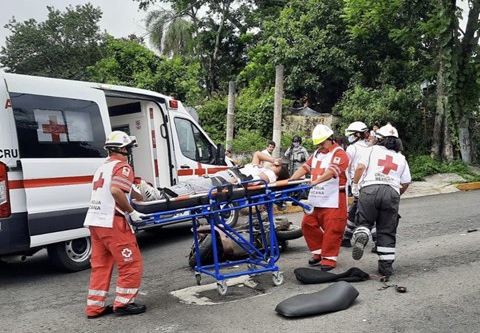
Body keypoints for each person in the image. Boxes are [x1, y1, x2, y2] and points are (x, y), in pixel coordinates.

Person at [83, 131, 147, 318]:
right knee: (131, 262)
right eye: (128, 148)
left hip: (95, 221)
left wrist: (137, 195)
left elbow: (124, 188)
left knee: (101, 265)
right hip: (112, 221)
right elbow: (116, 190)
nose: (129, 151)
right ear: (121, 149)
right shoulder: (123, 166)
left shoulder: (103, 168)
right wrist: (132, 211)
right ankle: (124, 303)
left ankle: (95, 307)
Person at [284, 124, 349, 271]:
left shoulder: (340, 154)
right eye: (318, 144)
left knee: (333, 228)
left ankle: (329, 258)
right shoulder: (317, 153)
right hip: (316, 196)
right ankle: (319, 251)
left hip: (334, 197)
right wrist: (292, 180)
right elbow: (305, 167)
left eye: (322, 143)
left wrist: (314, 182)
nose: (320, 146)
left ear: (330, 139)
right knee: (308, 224)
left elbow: (332, 171)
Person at [350, 124, 411, 278]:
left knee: (364, 220)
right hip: (391, 192)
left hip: (370, 189)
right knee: (387, 230)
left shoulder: (370, 150)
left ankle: (363, 232)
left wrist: (355, 186)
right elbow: (405, 183)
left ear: (379, 139)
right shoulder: (401, 158)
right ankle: (386, 267)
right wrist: (396, 194)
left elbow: (359, 169)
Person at [140, 151, 289, 200]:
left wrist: (236, 182)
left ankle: (159, 196)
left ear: (278, 168)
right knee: (192, 183)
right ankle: (161, 192)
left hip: (228, 179)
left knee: (193, 187)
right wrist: (272, 160)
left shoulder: (270, 175)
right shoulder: (262, 167)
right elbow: (257, 154)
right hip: (227, 174)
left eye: (275, 164)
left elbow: (257, 182)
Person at [341, 121, 372, 248]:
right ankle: (377, 239)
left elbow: (346, 167)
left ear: (357, 135)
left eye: (351, 134)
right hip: (368, 183)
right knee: (369, 211)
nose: (349, 137)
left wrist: (351, 184)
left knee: (354, 211)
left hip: (356, 182)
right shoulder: (370, 147)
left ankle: (347, 237)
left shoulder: (352, 148)